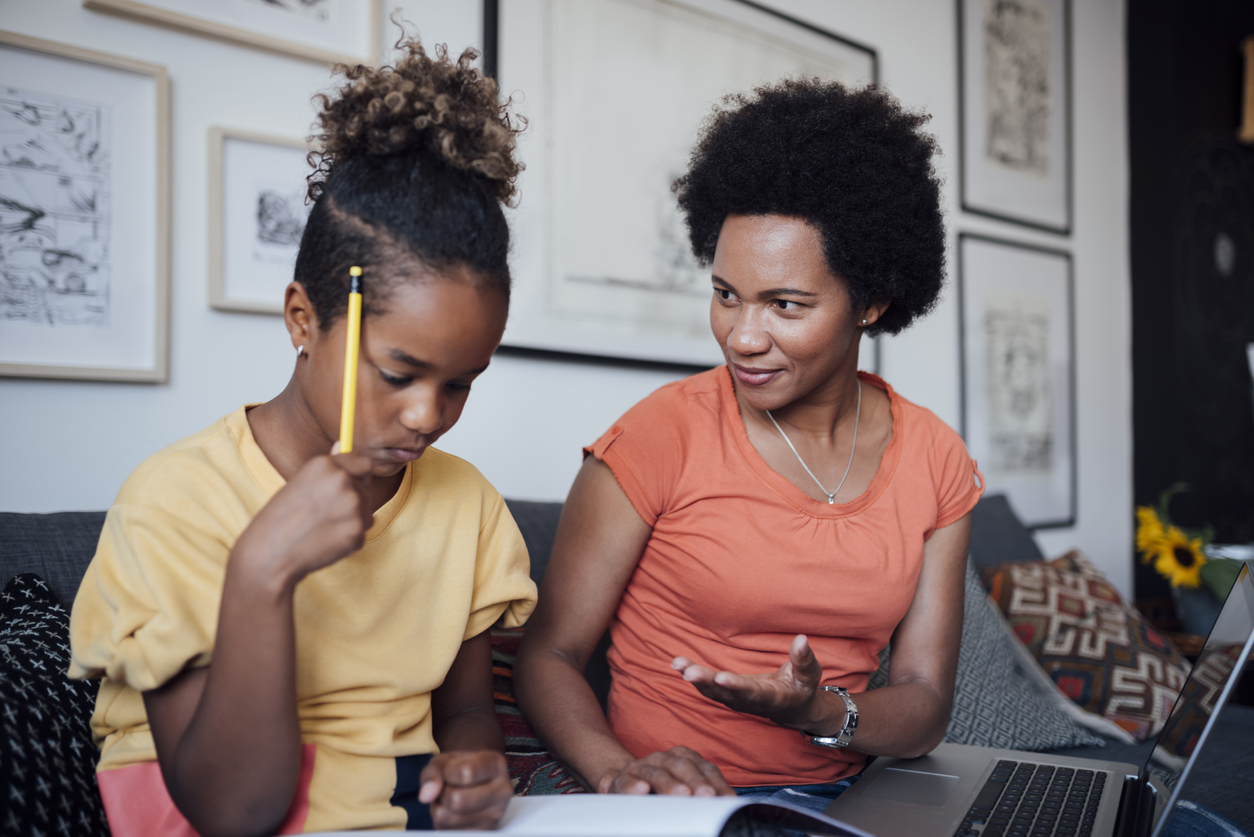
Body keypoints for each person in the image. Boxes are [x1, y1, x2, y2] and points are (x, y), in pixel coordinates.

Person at [68, 41, 536, 836]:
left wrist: (474, 761)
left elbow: (464, 710)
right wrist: (262, 569)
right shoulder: (173, 503)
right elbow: (233, 810)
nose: (429, 414)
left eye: (460, 381)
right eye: (399, 372)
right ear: (303, 319)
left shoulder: (468, 505)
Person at [515, 78, 984, 813]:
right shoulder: (657, 435)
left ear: (871, 301)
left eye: (785, 305)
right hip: (658, 802)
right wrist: (617, 773)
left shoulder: (938, 462)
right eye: (726, 292)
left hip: (839, 799)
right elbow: (548, 655)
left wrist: (819, 713)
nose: (742, 335)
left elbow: (924, 703)